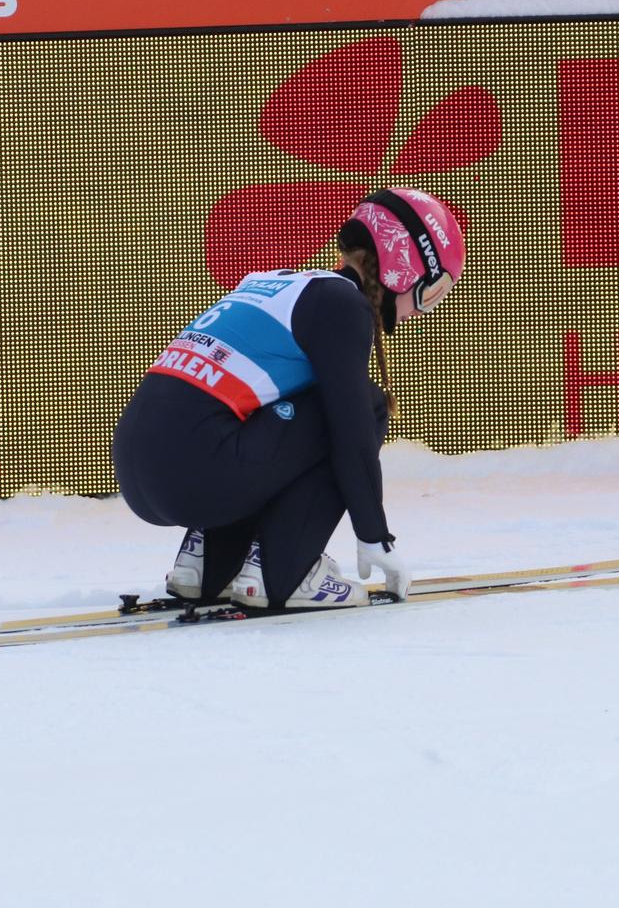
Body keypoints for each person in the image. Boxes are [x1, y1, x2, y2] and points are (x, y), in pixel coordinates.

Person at [111, 189, 466, 611]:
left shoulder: (276, 284)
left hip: (141, 473)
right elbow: (352, 431)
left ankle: (207, 564)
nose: (424, 310)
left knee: (283, 408)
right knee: (365, 405)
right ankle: (281, 572)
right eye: (432, 291)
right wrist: (375, 536)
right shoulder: (341, 305)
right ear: (403, 267)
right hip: (197, 475)